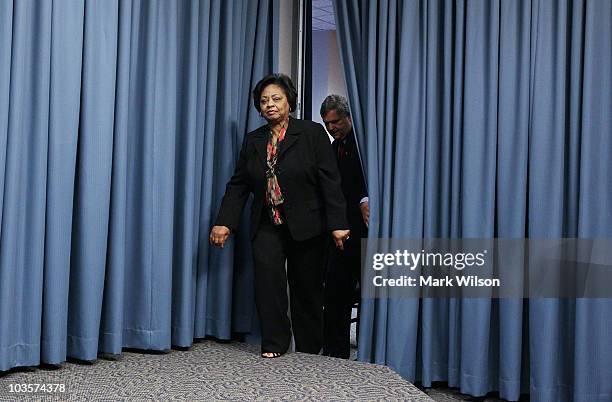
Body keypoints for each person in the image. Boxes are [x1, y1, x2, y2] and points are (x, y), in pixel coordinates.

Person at [209, 74, 350, 358]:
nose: (270, 105)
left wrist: (338, 224)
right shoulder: (253, 141)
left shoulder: (311, 133)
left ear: (289, 102)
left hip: (308, 223)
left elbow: (330, 180)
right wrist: (224, 222)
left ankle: (310, 346)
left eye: (276, 99)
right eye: (264, 101)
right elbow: (239, 184)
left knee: (306, 288)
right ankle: (275, 343)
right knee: (268, 283)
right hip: (267, 222)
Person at [320, 95, 368, 359]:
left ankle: (368, 349)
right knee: (336, 294)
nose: (331, 128)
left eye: (335, 122)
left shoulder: (366, 146)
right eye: (327, 124)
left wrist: (364, 199)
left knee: (369, 295)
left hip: (364, 230)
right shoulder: (330, 149)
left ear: (349, 118)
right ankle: (335, 352)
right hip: (338, 233)